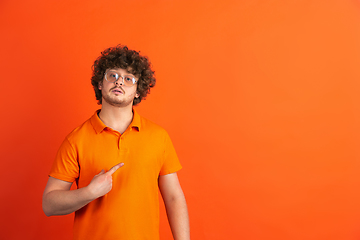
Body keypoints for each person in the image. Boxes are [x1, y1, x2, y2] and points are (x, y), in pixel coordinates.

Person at [42, 45, 190, 240]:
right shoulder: (76, 140)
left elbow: (174, 197)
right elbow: (49, 204)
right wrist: (89, 192)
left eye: (129, 79)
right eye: (112, 76)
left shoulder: (158, 137)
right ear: (100, 84)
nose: (119, 82)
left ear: (138, 91)